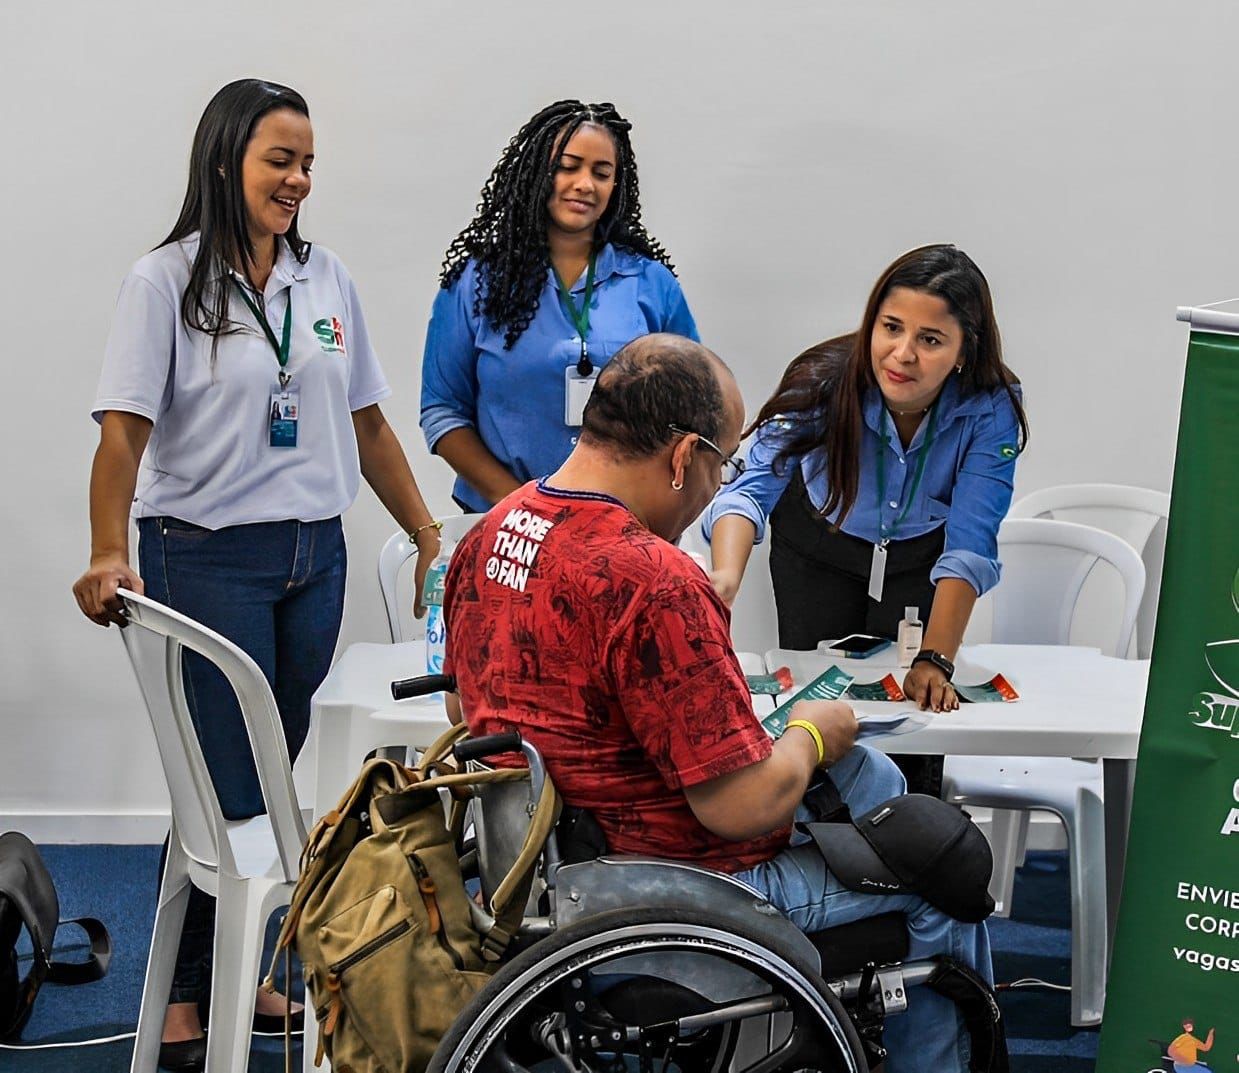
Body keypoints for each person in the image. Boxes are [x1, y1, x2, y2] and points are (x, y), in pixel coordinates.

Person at [442, 334, 993, 1073]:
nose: (713, 490)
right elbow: (737, 808)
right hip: (671, 894)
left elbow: (462, 714)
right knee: (939, 884)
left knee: (870, 784)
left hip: (542, 870)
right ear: (681, 456)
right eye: (720, 465)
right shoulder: (655, 580)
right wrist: (807, 733)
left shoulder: (492, 532)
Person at [71, 79, 440, 1073]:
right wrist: (109, 550)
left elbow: (366, 424)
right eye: (281, 158)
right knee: (228, 798)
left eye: (309, 162)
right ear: (227, 156)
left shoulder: (325, 280)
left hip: (312, 558)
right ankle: (191, 996)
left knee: (275, 791)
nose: (299, 179)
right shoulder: (166, 282)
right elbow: (121, 437)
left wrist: (424, 527)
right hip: (207, 560)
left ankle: (253, 970)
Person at [703, 244, 1028, 794]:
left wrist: (936, 659)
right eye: (891, 327)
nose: (902, 354)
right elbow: (749, 490)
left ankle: (909, 838)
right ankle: (815, 841)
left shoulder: (991, 406)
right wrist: (725, 580)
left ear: (963, 352)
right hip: (817, 543)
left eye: (930, 340)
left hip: (921, 557)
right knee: (817, 709)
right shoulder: (820, 382)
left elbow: (971, 542)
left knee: (915, 719)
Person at [420, 99, 699, 513]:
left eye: (602, 173)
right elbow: (443, 411)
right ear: (535, 174)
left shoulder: (652, 284)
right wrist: (524, 505)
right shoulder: (474, 284)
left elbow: (692, 404)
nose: (585, 184)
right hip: (506, 522)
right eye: (568, 167)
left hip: (624, 524)